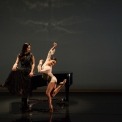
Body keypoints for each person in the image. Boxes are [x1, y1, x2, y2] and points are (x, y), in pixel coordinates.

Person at [3, 43, 35, 112]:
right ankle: (24, 102)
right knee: (14, 70)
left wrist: (32, 71)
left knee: (25, 85)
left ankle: (8, 83)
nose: (30, 49)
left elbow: (33, 64)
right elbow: (16, 62)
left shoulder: (31, 55)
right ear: (25, 48)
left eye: (30, 47)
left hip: (27, 71)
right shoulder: (20, 55)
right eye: (29, 47)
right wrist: (14, 65)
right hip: (22, 71)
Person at [37, 42, 66, 112]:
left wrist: (40, 63)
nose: (53, 64)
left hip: (52, 79)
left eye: (54, 64)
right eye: (53, 62)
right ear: (50, 60)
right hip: (53, 79)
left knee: (47, 93)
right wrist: (54, 46)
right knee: (52, 95)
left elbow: (39, 71)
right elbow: (49, 53)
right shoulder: (47, 60)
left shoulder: (48, 68)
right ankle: (61, 85)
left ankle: (50, 106)